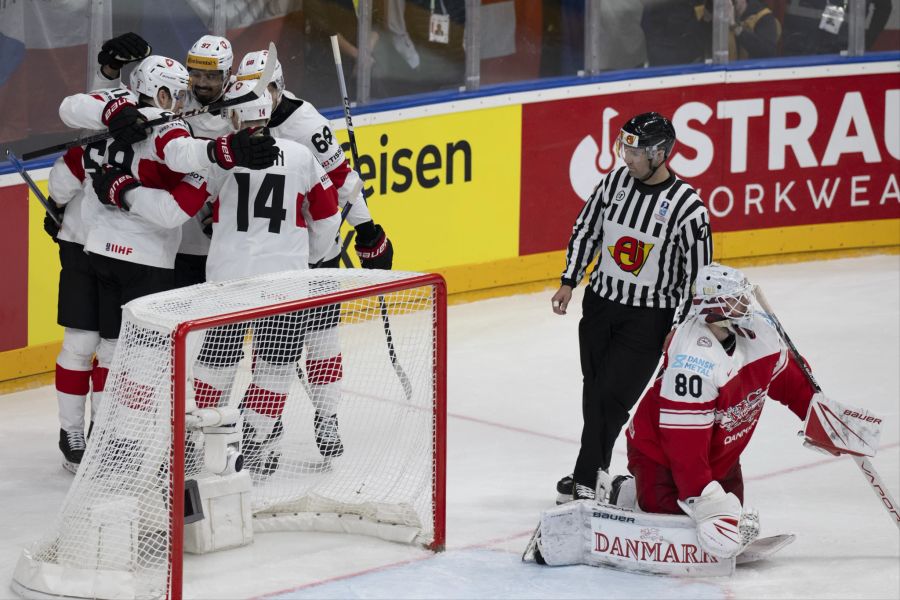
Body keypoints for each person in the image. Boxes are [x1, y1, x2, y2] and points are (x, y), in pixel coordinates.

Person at [527, 263, 881, 567]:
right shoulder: (692, 363)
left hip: (721, 456)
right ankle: (624, 494)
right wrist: (704, 499)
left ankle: (639, 493)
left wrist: (825, 418)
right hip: (660, 456)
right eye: (735, 299)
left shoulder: (760, 334)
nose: (745, 304)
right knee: (674, 519)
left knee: (728, 518)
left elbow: (792, 386)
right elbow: (683, 449)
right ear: (714, 308)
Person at [551, 112, 712, 503]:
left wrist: (685, 328)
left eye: (635, 151)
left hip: (647, 320)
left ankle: (587, 478)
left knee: (611, 399)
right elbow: (587, 229)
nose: (626, 157)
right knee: (595, 394)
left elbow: (700, 276)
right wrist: (570, 280)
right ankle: (593, 472)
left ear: (660, 154)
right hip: (600, 308)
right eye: (624, 147)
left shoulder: (688, 208)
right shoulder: (614, 183)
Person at [44, 149, 102, 473]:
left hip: (131, 253)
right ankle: (72, 433)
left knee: (112, 351)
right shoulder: (95, 136)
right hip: (81, 247)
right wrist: (56, 205)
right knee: (80, 344)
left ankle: (105, 433)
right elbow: (62, 185)